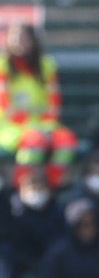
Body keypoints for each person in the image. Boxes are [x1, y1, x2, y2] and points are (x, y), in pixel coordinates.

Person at [0, 24, 78, 189]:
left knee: (66, 141)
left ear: (33, 41)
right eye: (15, 37)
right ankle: (21, 187)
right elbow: (6, 106)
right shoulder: (2, 66)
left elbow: (53, 103)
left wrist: (43, 125)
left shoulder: (46, 66)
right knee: (34, 142)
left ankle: (52, 186)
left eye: (24, 37)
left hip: (44, 125)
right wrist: (33, 123)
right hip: (9, 127)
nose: (19, 42)